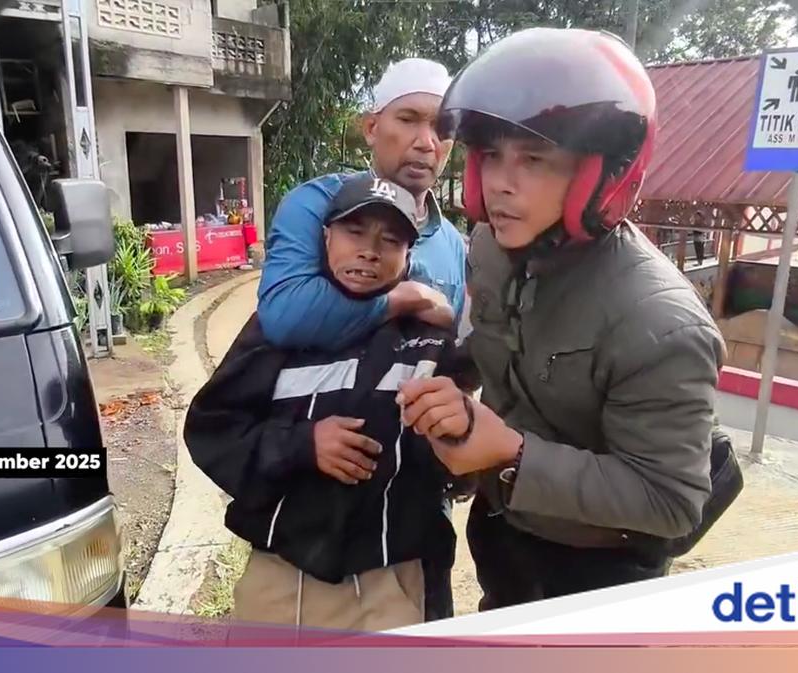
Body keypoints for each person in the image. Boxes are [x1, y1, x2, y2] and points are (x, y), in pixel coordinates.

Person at [398, 28, 727, 611]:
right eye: (490, 155)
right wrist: (440, 371)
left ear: (599, 176)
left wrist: (513, 454)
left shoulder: (660, 324)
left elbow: (672, 499)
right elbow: (505, 343)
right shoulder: (492, 248)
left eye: (535, 159)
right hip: (505, 538)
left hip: (599, 572)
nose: (501, 182)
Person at [185, 175, 465, 632]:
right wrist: (302, 444)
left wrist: (459, 434)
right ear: (325, 237)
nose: (369, 250)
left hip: (392, 582)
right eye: (355, 231)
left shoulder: (429, 343)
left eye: (390, 240)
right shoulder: (281, 333)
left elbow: (457, 463)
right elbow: (212, 430)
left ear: (409, 256)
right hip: (282, 583)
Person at [254, 57, 469, 620]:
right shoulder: (316, 203)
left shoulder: (453, 243)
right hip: (319, 512)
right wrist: (403, 299)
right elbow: (284, 314)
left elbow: (460, 359)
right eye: (409, 119)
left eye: (442, 128)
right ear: (372, 127)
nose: (427, 142)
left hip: (416, 513)